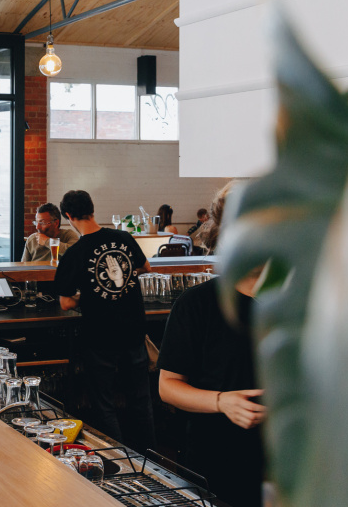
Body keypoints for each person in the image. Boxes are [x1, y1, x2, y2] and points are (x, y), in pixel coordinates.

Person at [157, 183, 266, 507]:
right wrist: (222, 402)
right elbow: (168, 386)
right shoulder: (197, 305)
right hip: (217, 459)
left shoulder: (299, 303)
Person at [54, 190, 155, 452]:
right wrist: (120, 279)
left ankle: (119, 458)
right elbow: (146, 267)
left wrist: (87, 295)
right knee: (140, 400)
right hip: (134, 331)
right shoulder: (123, 238)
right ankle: (151, 460)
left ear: (68, 216)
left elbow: (66, 303)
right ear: (92, 209)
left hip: (101, 336)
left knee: (104, 403)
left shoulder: (75, 253)